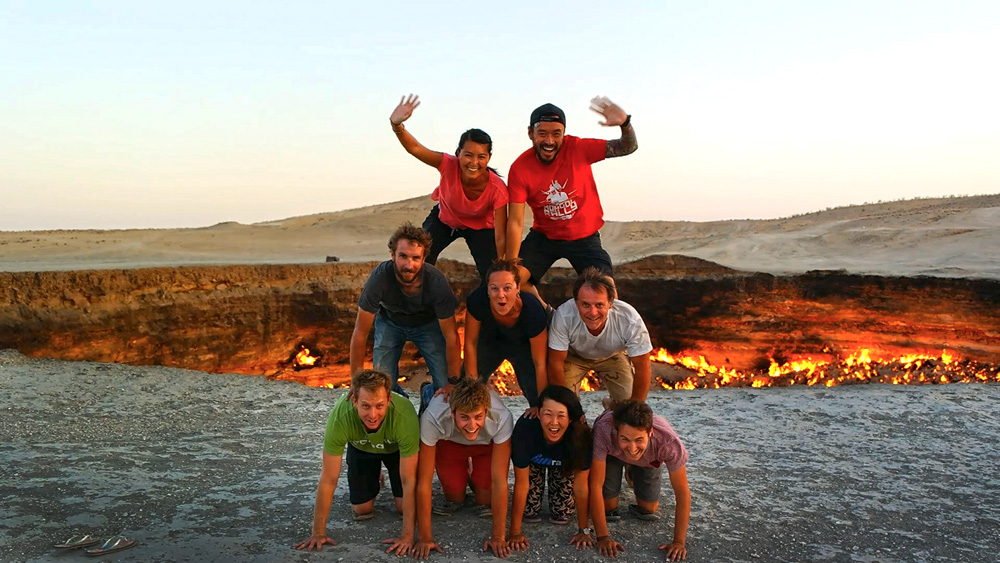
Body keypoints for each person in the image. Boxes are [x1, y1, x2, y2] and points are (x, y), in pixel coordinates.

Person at [505, 96, 638, 302]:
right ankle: (548, 317)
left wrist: (625, 123)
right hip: (545, 238)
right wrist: (511, 265)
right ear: (530, 133)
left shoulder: (578, 148)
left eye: (556, 134)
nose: (549, 141)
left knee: (605, 291)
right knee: (511, 282)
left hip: (584, 238)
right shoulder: (520, 168)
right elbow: (515, 221)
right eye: (542, 134)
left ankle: (597, 331)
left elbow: (627, 147)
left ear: (564, 134)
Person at [295, 369, 420, 555]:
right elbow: (328, 478)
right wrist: (318, 532)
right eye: (365, 406)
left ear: (388, 401)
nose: (373, 414)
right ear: (354, 401)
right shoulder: (340, 416)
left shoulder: (404, 414)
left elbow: (409, 480)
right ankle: (374, 473)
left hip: (395, 449)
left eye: (379, 406)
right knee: (362, 510)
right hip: (362, 447)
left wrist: (408, 536)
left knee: (403, 508)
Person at [390, 94, 509, 281]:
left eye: (481, 157)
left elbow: (501, 236)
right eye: (468, 155)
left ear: (489, 158)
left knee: (492, 273)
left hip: (481, 229)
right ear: (458, 153)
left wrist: (503, 266)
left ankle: (489, 307)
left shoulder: (498, 189)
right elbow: (415, 149)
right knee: (419, 260)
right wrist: (396, 125)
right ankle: (415, 301)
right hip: (443, 220)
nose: (474, 162)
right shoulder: (447, 164)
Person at [349, 223, 462, 400]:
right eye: (403, 256)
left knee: (443, 386)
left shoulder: (436, 282)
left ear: (424, 259)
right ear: (393, 255)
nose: (409, 265)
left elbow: (452, 337)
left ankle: (426, 395)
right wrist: (355, 382)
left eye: (416, 258)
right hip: (390, 323)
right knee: (382, 385)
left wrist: (454, 381)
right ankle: (401, 404)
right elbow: (360, 332)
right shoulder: (379, 278)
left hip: (428, 325)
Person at [414, 378, 514, 559]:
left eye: (478, 416)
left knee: (484, 501)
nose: (472, 424)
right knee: (455, 498)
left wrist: (499, 536)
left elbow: (500, 480)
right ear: (452, 413)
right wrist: (424, 537)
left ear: (486, 411)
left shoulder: (502, 417)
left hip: (485, 445)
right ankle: (429, 392)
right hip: (449, 441)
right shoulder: (433, 418)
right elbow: (424, 481)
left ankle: (470, 473)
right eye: (464, 417)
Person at [589, 401, 690, 561]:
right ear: (616, 431)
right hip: (612, 454)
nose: (632, 446)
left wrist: (678, 541)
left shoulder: (668, 444)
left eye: (638, 439)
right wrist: (602, 537)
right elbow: (595, 485)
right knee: (608, 507)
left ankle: (632, 467)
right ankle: (612, 404)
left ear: (650, 432)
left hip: (649, 459)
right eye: (625, 438)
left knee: (648, 509)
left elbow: (682, 493)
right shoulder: (604, 430)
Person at [507, 385, 594, 554]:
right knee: (529, 510)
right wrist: (515, 532)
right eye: (547, 414)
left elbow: (581, 486)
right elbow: (521, 483)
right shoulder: (525, 428)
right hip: (534, 464)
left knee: (563, 512)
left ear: (570, 418)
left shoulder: (580, 435)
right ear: (538, 414)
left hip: (563, 465)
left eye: (561, 415)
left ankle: (556, 490)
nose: (554, 422)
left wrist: (584, 529)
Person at [549, 267, 652, 403]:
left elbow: (643, 365)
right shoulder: (564, 315)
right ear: (576, 303)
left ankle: (611, 407)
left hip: (613, 356)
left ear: (610, 304)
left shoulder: (629, 319)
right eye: (585, 304)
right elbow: (555, 362)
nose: (593, 312)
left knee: (627, 403)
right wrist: (566, 406)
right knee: (565, 403)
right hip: (574, 356)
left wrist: (636, 408)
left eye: (599, 305)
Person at [463, 257, 548, 415]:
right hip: (490, 344)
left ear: (518, 288)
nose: (501, 295)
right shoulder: (477, 301)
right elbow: (470, 344)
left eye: (507, 288)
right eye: (494, 288)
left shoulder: (533, 311)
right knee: (463, 389)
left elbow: (540, 363)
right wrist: (472, 388)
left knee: (540, 400)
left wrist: (542, 405)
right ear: (487, 290)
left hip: (523, 348)